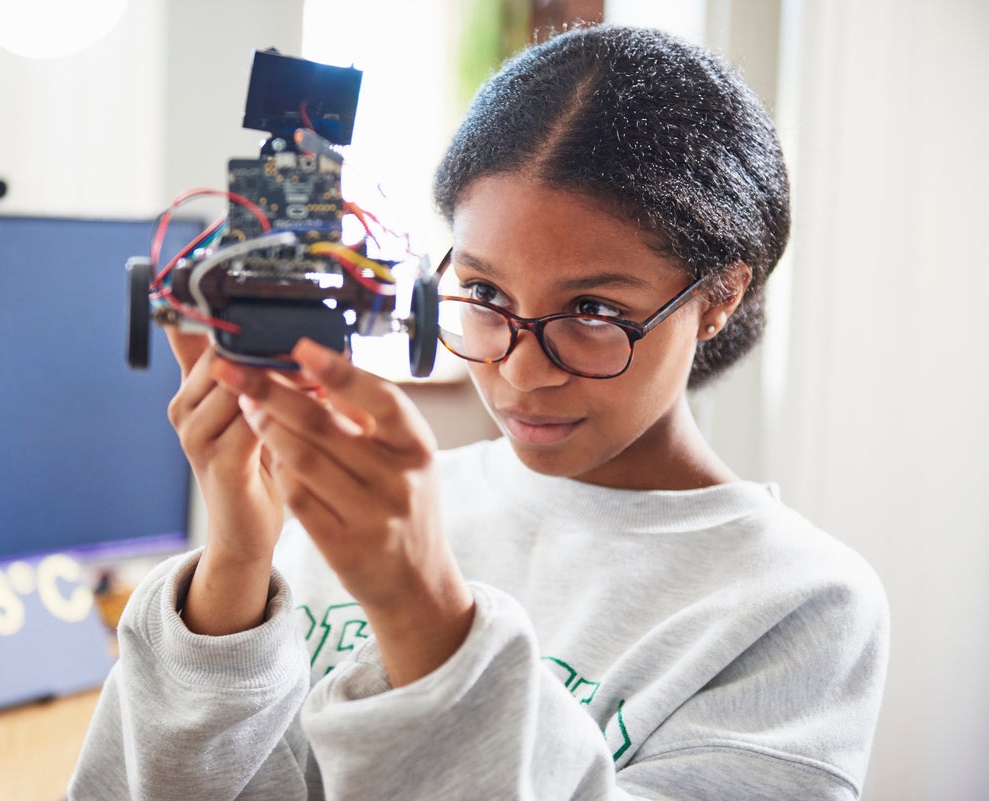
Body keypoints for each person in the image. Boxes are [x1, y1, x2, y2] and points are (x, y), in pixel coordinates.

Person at [70, 23, 888, 801]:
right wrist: (238, 564)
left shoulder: (801, 603)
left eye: (595, 310)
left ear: (717, 297)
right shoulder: (360, 512)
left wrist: (421, 608)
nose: (522, 371)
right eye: (487, 295)